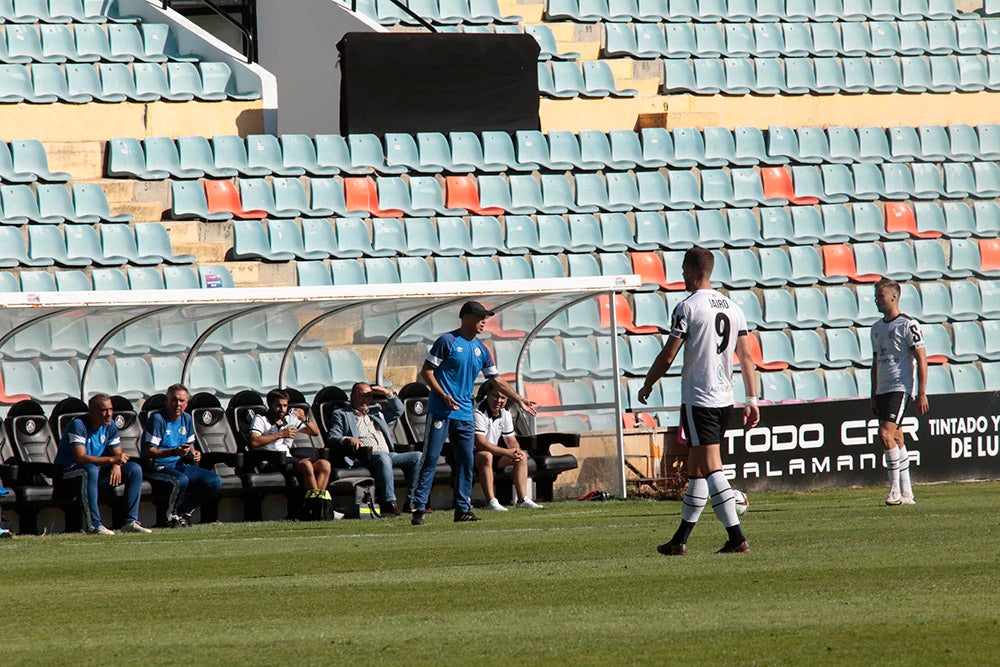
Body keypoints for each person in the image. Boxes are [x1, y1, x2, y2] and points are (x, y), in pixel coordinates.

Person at [638, 247, 758, 555]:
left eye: (682, 270)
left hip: (700, 397)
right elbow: (746, 356)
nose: (681, 275)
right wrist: (752, 398)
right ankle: (680, 540)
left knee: (711, 466)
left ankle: (736, 537)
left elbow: (668, 355)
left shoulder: (687, 306)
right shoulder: (733, 306)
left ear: (692, 272)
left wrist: (648, 383)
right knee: (695, 468)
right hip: (725, 398)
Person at [410, 300, 536, 525]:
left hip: (465, 413)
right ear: (466, 317)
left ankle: (462, 509)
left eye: (485, 317)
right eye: (480, 317)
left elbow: (496, 380)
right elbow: (426, 372)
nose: (484, 321)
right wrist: (442, 395)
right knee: (430, 458)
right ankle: (419, 507)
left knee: (467, 461)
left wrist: (519, 399)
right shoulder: (447, 341)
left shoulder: (481, 349)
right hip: (441, 410)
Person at [54, 394, 153, 535]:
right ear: (92, 410)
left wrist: (117, 465)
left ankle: (130, 522)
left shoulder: (110, 425)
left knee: (134, 469)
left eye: (111, 410)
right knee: (90, 470)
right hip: (68, 475)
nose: (109, 414)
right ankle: (94, 525)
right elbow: (80, 458)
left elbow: (118, 454)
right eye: (104, 410)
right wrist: (112, 461)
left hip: (94, 472)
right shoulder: (78, 425)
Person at [871, 278, 929, 506]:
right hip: (883, 388)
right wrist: (873, 394)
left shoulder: (908, 325)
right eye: (876, 297)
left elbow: (922, 360)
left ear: (894, 296)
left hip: (900, 387)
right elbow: (875, 364)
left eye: (881, 296)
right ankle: (907, 494)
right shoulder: (876, 328)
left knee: (885, 434)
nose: (877, 301)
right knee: (896, 437)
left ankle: (894, 491)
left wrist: (921, 392)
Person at [326, 382, 422, 516]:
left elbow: (399, 410)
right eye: (363, 395)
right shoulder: (342, 414)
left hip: (389, 455)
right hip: (364, 457)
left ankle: (412, 502)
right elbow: (332, 437)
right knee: (383, 458)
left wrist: (388, 393)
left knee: (418, 457)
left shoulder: (376, 411)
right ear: (352, 396)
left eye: (369, 396)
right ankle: (389, 502)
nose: (366, 400)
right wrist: (348, 439)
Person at [142, 384, 223, 527]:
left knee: (213, 481)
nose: (178, 404)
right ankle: (169, 517)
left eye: (182, 401)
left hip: (178, 465)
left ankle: (182, 512)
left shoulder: (186, 418)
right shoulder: (158, 419)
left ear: (187, 403)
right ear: (167, 401)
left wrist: (194, 452)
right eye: (174, 400)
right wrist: (173, 451)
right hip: (158, 467)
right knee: (181, 480)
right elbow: (150, 451)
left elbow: (190, 444)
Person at [250, 389, 332, 500]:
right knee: (306, 465)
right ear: (270, 405)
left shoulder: (288, 420)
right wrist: (280, 434)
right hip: (269, 460)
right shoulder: (261, 419)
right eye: (278, 406)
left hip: (287, 459)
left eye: (285, 406)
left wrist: (305, 419)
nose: (282, 409)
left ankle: (318, 502)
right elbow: (254, 441)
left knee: (324, 465)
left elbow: (315, 432)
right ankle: (315, 504)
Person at [474, 379, 542, 511]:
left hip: (495, 455)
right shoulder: (478, 412)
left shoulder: (505, 413)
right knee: (486, 455)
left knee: (521, 456)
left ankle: (522, 499)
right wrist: (507, 452)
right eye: (495, 396)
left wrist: (515, 451)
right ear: (488, 395)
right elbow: (480, 443)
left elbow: (510, 440)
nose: (499, 401)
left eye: (503, 397)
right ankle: (491, 502)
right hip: (475, 456)